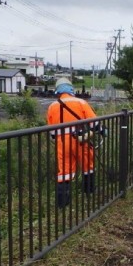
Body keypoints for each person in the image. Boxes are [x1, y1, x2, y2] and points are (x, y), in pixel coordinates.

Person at [46, 77, 98, 207]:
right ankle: (89, 193)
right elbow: (95, 123)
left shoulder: (52, 106)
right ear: (71, 89)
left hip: (63, 141)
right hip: (81, 139)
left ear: (57, 90)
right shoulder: (81, 102)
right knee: (88, 165)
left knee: (64, 170)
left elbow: (51, 131)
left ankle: (63, 204)